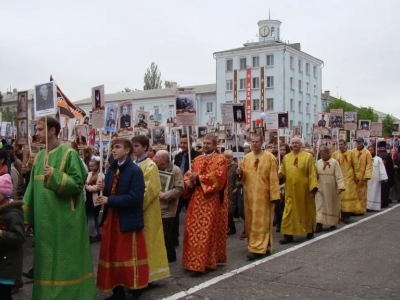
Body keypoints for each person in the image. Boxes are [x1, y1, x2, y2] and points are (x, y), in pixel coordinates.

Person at [23, 116, 95, 299]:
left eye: (39, 129)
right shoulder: (39, 156)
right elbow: (31, 187)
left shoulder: (68, 154)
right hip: (43, 220)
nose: (36, 133)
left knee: (65, 262)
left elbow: (78, 184)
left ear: (52, 130)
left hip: (64, 220)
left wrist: (55, 175)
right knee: (45, 261)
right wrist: (26, 217)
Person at [95, 138, 148, 299]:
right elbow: (109, 193)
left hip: (127, 220)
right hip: (111, 219)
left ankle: (135, 287)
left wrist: (110, 200)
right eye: (112, 147)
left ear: (127, 151)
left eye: (117, 147)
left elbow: (135, 198)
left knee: (128, 256)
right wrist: (103, 189)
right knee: (112, 255)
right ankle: (117, 290)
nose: (113, 150)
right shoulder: (111, 169)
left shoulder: (134, 171)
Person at [182, 133, 228, 272]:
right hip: (195, 200)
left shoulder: (220, 159)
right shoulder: (196, 159)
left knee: (207, 231)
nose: (206, 146)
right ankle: (191, 262)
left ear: (215, 145)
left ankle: (206, 262)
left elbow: (219, 178)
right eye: (204, 143)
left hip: (210, 200)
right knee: (191, 231)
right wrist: (188, 183)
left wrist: (198, 178)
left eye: (209, 143)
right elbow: (187, 175)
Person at [131, 135, 170, 282]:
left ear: (145, 148)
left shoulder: (150, 165)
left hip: (147, 209)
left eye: (137, 146)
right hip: (136, 208)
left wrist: (137, 205)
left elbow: (150, 189)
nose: (134, 149)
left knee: (149, 240)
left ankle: (150, 274)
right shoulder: (134, 164)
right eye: (133, 146)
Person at [237, 135, 280, 260]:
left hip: (264, 196)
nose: (254, 144)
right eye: (253, 142)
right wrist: (240, 174)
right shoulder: (246, 158)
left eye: (257, 142)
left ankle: (258, 248)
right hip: (250, 195)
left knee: (262, 222)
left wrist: (274, 195)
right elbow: (242, 178)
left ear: (262, 143)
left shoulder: (270, 158)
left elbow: (273, 178)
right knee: (250, 221)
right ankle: (255, 244)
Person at [278, 137, 318, 244]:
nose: (295, 145)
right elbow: (283, 173)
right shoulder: (286, 157)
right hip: (290, 191)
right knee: (288, 211)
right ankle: (288, 235)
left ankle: (309, 231)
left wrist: (312, 189)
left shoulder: (308, 157)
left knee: (306, 210)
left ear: (301, 144)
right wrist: (280, 176)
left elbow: (312, 173)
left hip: (304, 191)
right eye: (293, 143)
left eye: (297, 143)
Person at [153, 150, 184, 263]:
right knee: (159, 235)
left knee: (166, 235)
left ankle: (170, 257)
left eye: (156, 157)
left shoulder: (175, 170)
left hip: (169, 208)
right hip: (156, 206)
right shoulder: (154, 168)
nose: (154, 159)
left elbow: (180, 189)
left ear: (164, 160)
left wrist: (165, 195)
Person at [172, 134, 200, 246]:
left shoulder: (197, 156)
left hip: (191, 188)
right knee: (174, 213)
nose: (182, 145)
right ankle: (174, 238)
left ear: (190, 143)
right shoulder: (178, 156)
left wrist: (193, 181)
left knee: (193, 214)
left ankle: (193, 238)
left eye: (185, 143)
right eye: (181, 143)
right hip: (179, 188)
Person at [0, 174, 25, 300]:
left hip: (7, 264)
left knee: (4, 295)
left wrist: (2, 234)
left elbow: (19, 238)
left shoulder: (13, 214)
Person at [315, 146, 345, 232]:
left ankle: (332, 222)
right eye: (321, 154)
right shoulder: (317, 163)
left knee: (331, 205)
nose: (322, 155)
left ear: (328, 153)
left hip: (331, 188)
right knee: (319, 205)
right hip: (320, 188)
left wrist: (340, 186)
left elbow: (339, 176)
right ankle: (319, 223)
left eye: (323, 154)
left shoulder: (334, 163)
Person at [332, 139, 360, 223]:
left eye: (342, 144)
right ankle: (341, 214)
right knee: (340, 196)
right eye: (339, 144)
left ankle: (347, 214)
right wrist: (335, 163)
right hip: (339, 177)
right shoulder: (335, 154)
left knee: (347, 195)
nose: (340, 146)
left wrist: (357, 177)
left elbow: (355, 164)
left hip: (349, 177)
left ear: (345, 145)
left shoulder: (351, 153)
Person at [85, 156, 104, 243]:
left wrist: (88, 187)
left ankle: (90, 235)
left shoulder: (100, 175)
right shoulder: (89, 174)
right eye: (90, 166)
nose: (91, 168)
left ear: (97, 166)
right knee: (94, 217)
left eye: (93, 166)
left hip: (95, 199)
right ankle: (98, 234)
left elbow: (98, 187)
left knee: (91, 217)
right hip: (88, 198)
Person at [352, 137, 372, 214]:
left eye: (359, 142)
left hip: (362, 175)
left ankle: (361, 209)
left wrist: (367, 176)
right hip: (354, 176)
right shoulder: (352, 151)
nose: (358, 143)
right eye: (357, 142)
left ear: (362, 142)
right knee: (354, 192)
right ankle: (353, 209)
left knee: (362, 193)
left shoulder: (367, 153)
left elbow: (369, 165)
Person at [366, 145, 388, 211]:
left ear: (374, 151)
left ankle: (373, 206)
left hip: (375, 179)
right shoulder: (365, 158)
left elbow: (382, 168)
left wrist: (383, 178)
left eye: (371, 150)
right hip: (367, 179)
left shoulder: (378, 159)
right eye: (369, 150)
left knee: (374, 192)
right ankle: (367, 206)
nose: (370, 151)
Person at [224, 150, 238, 236]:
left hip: (232, 190)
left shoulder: (235, 167)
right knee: (225, 211)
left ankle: (231, 228)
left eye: (228, 157)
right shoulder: (222, 167)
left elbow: (238, 178)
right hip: (224, 190)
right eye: (225, 157)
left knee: (230, 211)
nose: (227, 159)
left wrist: (237, 187)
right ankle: (230, 227)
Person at [378, 141, 394, 208]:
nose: (382, 149)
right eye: (381, 148)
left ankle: (384, 202)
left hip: (387, 175)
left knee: (385, 190)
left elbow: (390, 168)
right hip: (380, 175)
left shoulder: (388, 157)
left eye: (383, 148)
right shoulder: (378, 157)